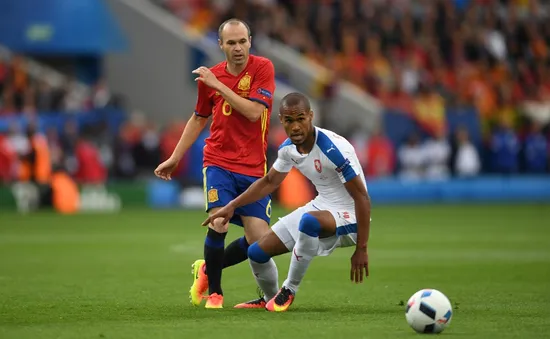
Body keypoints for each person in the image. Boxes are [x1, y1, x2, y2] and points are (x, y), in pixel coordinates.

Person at [203, 92, 371, 312]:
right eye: (289, 120)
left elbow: (361, 197)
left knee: (309, 222)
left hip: (352, 215)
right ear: (281, 120)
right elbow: (269, 182)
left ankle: (288, 290)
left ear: (311, 116)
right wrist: (231, 206)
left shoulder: (333, 149)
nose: (296, 127)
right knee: (256, 252)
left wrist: (362, 248)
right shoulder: (287, 149)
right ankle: (270, 298)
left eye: (301, 118)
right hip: (323, 205)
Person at [154, 18, 277, 309]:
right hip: (219, 161)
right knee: (219, 221)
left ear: (250, 42)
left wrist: (218, 86)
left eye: (242, 41)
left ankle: (208, 269)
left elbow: (252, 113)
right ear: (220, 45)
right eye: (231, 42)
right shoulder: (211, 77)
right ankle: (216, 294)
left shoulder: (262, 68)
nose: (238, 48)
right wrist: (175, 157)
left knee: (261, 242)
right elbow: (199, 118)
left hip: (253, 168)